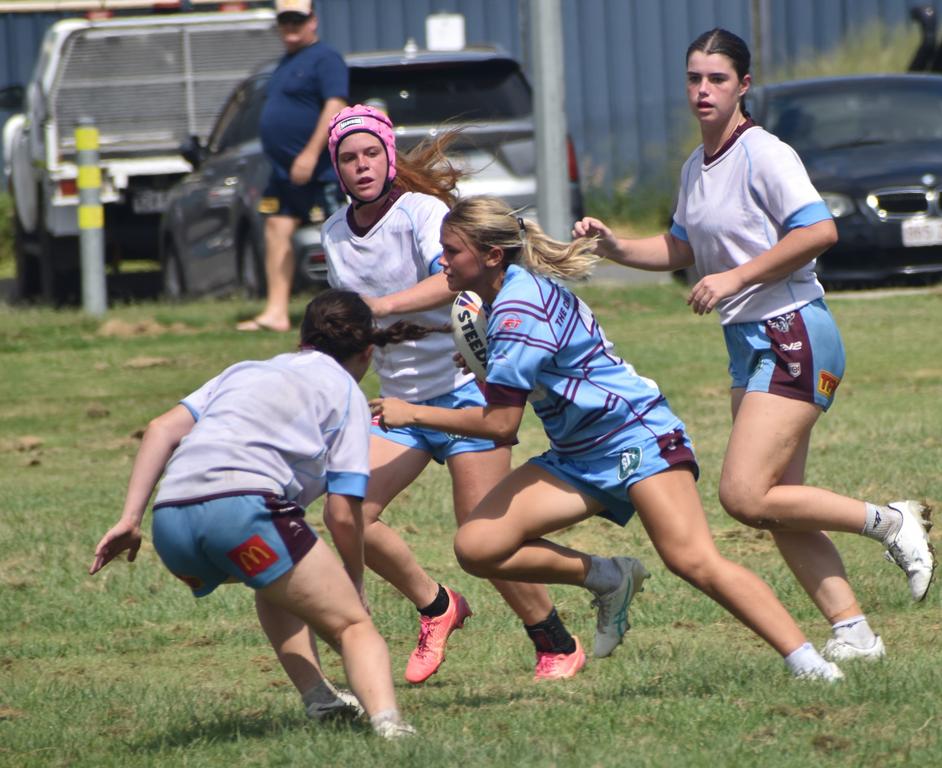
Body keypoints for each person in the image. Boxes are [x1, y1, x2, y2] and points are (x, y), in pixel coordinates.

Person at [371, 194, 846, 682]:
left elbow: (499, 425)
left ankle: (807, 662)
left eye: (451, 251)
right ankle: (608, 577)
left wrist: (413, 413)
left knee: (693, 560)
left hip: (634, 436)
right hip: (577, 453)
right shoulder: (505, 296)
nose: (442, 261)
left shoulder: (516, 310)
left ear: (492, 256)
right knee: (478, 545)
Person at [571, 28, 935, 663]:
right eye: (693, 78)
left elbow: (819, 230)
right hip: (752, 341)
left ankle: (891, 521)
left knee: (744, 495)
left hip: (792, 332)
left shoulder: (764, 153)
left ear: (743, 85)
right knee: (774, 506)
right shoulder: (696, 164)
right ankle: (854, 633)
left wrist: (735, 277)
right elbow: (681, 248)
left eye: (716, 79)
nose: (702, 90)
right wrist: (615, 246)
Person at [319, 104, 643, 682]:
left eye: (371, 153)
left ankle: (556, 642)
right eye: (349, 157)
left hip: (467, 393)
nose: (362, 165)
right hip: (401, 402)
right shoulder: (334, 233)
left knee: (483, 537)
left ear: (389, 156)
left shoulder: (421, 212)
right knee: (347, 511)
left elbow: (449, 279)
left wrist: (386, 306)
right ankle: (437, 607)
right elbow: (356, 326)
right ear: (336, 169)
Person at [89, 290, 420, 739]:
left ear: (303, 338)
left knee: (277, 577)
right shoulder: (346, 393)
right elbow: (343, 513)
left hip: (171, 526)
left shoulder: (246, 369)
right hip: (240, 516)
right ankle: (390, 727)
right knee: (353, 625)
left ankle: (320, 700)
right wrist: (356, 580)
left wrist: (130, 520)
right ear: (367, 352)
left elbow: (161, 428)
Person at [238, 0, 348, 333]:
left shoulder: (326, 58)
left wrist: (310, 154)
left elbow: (335, 104)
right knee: (276, 229)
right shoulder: (286, 63)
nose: (290, 27)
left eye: (297, 20)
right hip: (284, 172)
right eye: (284, 21)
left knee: (341, 236)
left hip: (318, 169)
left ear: (312, 21)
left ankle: (351, 306)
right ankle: (276, 311)